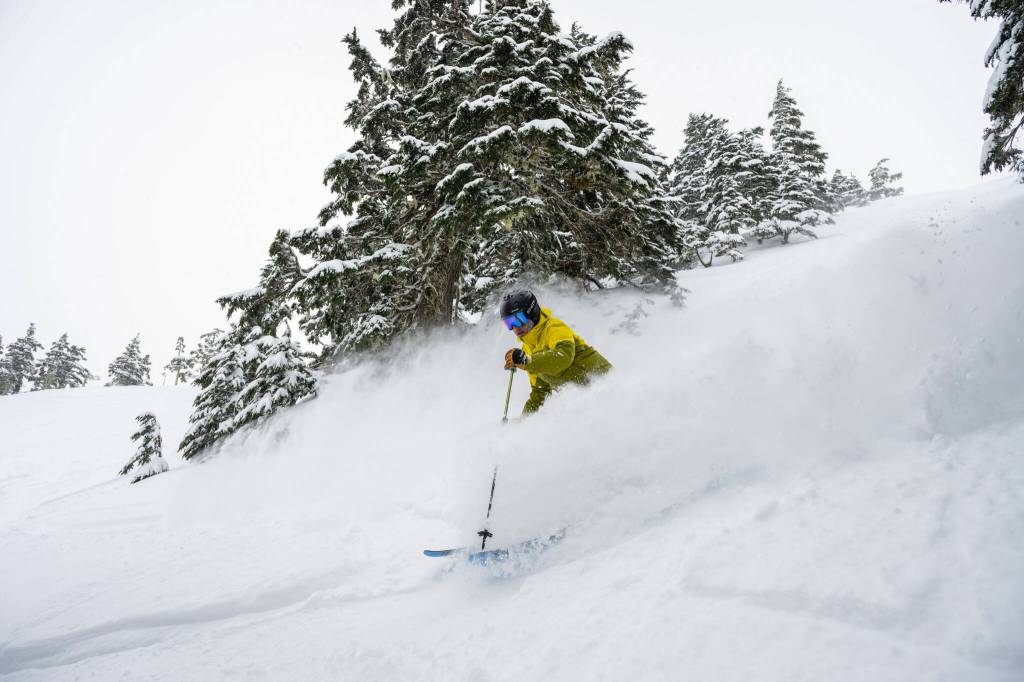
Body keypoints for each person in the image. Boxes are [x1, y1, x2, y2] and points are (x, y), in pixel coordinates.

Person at [500, 290, 612, 414]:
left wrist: (528, 361)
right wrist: (519, 426)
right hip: (588, 402)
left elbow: (563, 357)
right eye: (509, 323)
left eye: (518, 319)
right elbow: (540, 392)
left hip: (609, 388)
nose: (515, 327)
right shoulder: (527, 350)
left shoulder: (554, 328)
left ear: (531, 313)